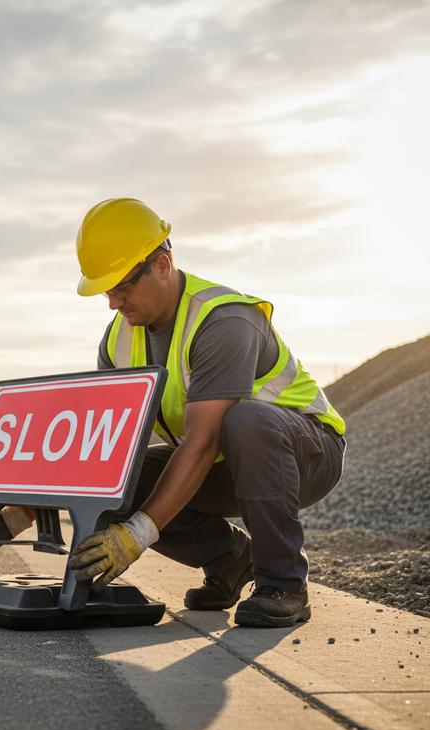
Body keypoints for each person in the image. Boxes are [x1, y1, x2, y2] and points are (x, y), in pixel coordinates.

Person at [66, 197, 346, 627]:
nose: (113, 302)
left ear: (161, 264)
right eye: (106, 290)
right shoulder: (118, 339)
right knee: (120, 476)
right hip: (226, 461)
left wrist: (138, 534)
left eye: (121, 286)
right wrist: (17, 511)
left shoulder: (223, 319)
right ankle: (230, 558)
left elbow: (202, 441)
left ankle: (283, 583)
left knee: (245, 420)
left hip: (306, 452)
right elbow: (107, 446)